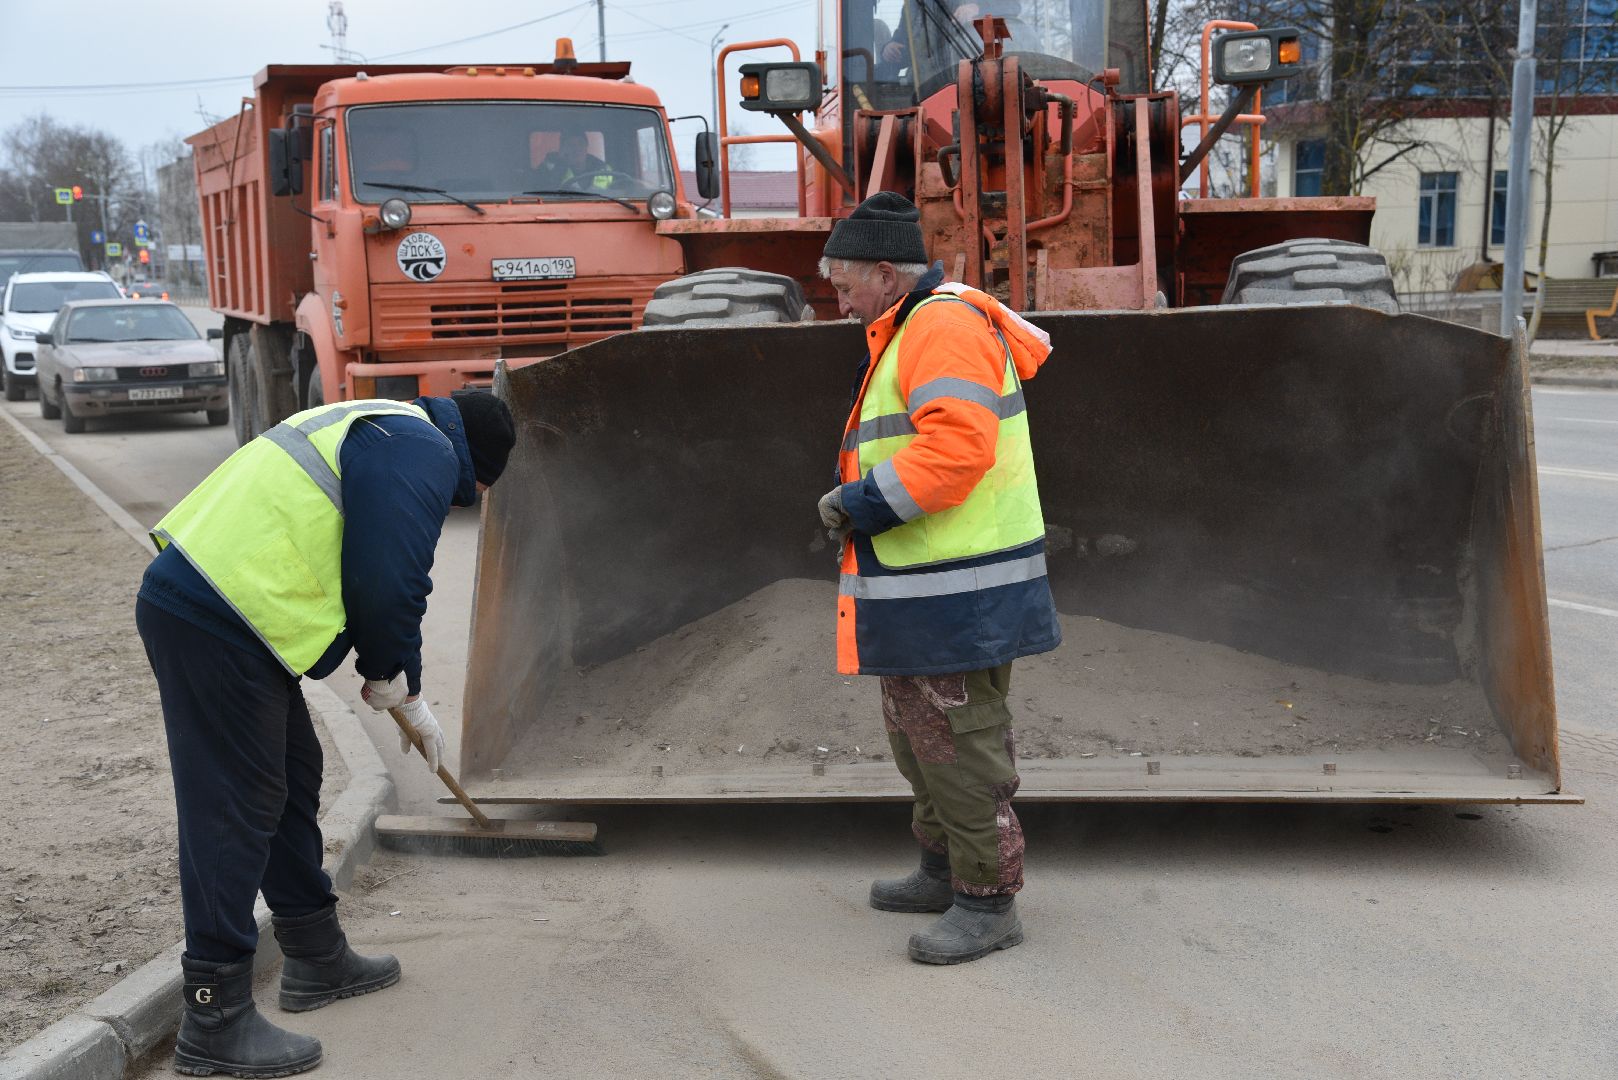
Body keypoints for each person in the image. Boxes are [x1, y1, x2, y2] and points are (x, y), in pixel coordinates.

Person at [136, 391, 517, 1076]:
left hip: (232, 616)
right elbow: (390, 580)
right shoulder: (423, 449)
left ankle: (315, 955)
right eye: (479, 490)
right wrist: (400, 681)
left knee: (291, 777)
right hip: (213, 615)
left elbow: (372, 563)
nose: (470, 499)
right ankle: (213, 1016)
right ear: (478, 466)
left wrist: (397, 676)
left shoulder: (382, 422)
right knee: (235, 805)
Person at [816, 192, 1060, 965]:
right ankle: (942, 869)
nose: (838, 296)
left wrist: (858, 503)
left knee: (959, 746)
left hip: (959, 588)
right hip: (932, 583)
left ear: (887, 273)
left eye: (844, 282)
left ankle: (987, 903)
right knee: (918, 740)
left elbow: (956, 452)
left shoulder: (942, 326)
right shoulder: (911, 325)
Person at [533, 128, 613, 191]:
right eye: (571, 145)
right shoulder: (547, 169)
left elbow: (621, 190)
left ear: (586, 147)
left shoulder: (604, 170)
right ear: (562, 149)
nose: (577, 149)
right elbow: (542, 194)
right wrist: (560, 165)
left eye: (580, 144)